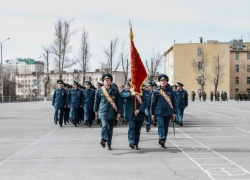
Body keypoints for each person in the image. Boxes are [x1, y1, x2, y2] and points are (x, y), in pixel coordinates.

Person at [94, 74, 123, 150]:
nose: (107, 82)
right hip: (103, 112)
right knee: (105, 125)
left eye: (108, 80)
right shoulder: (99, 90)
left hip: (112, 112)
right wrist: (95, 110)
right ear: (103, 82)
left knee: (110, 129)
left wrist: (120, 112)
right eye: (105, 80)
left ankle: (109, 144)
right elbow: (96, 101)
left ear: (110, 81)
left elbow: (119, 102)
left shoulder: (115, 90)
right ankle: (103, 139)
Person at [151, 74, 178, 149]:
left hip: (168, 112)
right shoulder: (156, 91)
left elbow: (174, 102)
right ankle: (161, 138)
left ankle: (163, 141)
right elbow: (153, 103)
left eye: (164, 81)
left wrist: (175, 112)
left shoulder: (171, 92)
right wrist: (152, 113)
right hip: (159, 112)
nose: (163, 82)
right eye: (162, 81)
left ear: (166, 82)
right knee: (161, 125)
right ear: (159, 82)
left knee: (166, 127)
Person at [120, 85, 147, 150]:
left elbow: (145, 102)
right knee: (132, 127)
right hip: (130, 113)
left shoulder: (142, 92)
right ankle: (131, 141)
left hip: (139, 114)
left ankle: (136, 143)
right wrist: (130, 94)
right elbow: (121, 95)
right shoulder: (128, 91)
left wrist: (139, 110)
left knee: (137, 129)